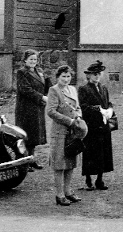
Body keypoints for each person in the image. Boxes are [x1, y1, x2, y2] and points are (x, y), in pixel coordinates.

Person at [46, 65, 84, 206]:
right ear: (58, 77)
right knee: (59, 164)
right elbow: (51, 111)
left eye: (68, 76)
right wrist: (69, 121)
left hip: (72, 132)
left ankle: (68, 192)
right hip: (59, 132)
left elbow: (78, 107)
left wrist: (78, 116)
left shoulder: (73, 89)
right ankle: (59, 194)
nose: (66, 79)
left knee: (70, 163)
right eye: (63, 76)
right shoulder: (54, 90)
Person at [78, 60, 114, 191]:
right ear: (88, 76)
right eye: (94, 74)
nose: (97, 76)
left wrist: (109, 109)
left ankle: (100, 179)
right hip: (91, 125)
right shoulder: (84, 89)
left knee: (103, 152)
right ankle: (88, 178)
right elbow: (83, 106)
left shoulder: (103, 88)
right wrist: (98, 109)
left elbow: (108, 102)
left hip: (103, 125)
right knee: (90, 152)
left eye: (99, 74)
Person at [15, 49, 50, 170]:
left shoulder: (38, 71)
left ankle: (32, 159)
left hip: (37, 107)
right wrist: (42, 97)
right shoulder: (21, 72)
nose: (33, 62)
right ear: (25, 60)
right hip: (25, 108)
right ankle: (24, 161)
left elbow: (45, 85)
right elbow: (25, 89)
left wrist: (47, 94)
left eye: (35, 59)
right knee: (26, 135)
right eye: (31, 59)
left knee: (35, 135)